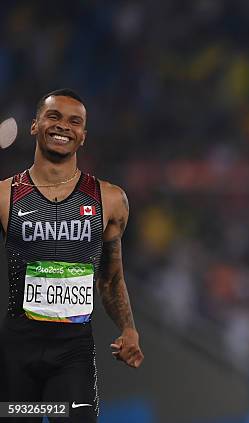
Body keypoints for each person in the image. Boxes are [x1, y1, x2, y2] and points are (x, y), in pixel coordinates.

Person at [0, 89, 144, 422]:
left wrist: (129, 328)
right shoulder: (6, 196)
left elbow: (111, 278)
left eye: (74, 121)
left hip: (72, 355)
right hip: (15, 355)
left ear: (83, 136)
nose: (63, 126)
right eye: (54, 116)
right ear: (35, 125)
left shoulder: (109, 200)